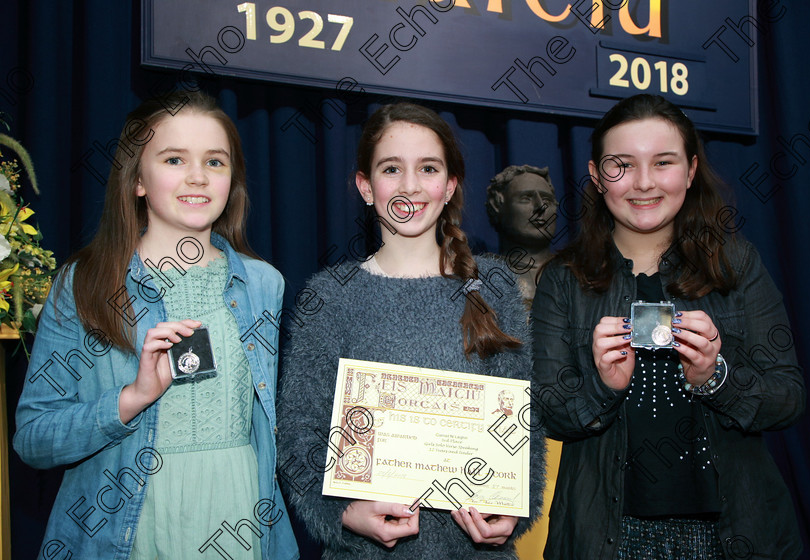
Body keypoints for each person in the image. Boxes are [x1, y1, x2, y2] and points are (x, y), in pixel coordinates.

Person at [13, 90, 299, 560]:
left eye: (215, 162)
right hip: (128, 529)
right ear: (137, 180)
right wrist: (131, 400)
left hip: (241, 519)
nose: (197, 177)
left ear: (232, 179)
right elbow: (33, 438)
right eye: (173, 159)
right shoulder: (84, 283)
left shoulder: (263, 283)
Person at [531, 94, 805, 559]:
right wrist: (603, 387)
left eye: (663, 163)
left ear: (691, 170)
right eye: (621, 165)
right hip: (605, 537)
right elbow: (546, 412)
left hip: (730, 534)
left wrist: (714, 378)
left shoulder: (736, 265)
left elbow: (788, 398)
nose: (643, 183)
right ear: (597, 177)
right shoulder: (564, 278)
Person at [277, 102, 544, 559]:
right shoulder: (329, 297)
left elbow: (525, 418)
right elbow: (298, 433)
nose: (410, 186)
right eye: (391, 169)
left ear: (450, 185)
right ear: (365, 186)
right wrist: (340, 511)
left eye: (428, 168)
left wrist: (516, 507)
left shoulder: (495, 285)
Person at [485, 165, 558, 306]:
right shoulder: (480, 276)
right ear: (497, 206)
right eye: (526, 198)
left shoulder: (581, 275)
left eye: (547, 200)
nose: (540, 207)